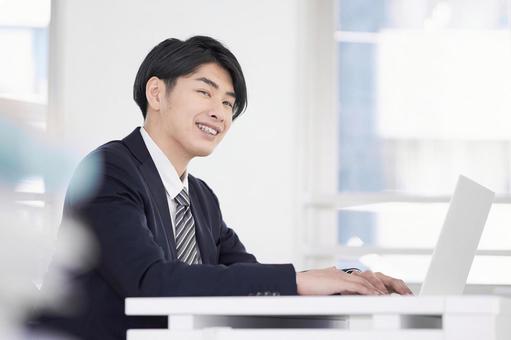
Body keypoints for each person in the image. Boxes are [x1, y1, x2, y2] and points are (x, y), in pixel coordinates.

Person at [35, 36, 412, 340]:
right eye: (205, 92)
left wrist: (346, 281)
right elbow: (151, 282)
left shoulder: (199, 197)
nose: (220, 111)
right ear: (156, 94)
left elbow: (246, 275)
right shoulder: (109, 170)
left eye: (229, 103)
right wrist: (300, 281)